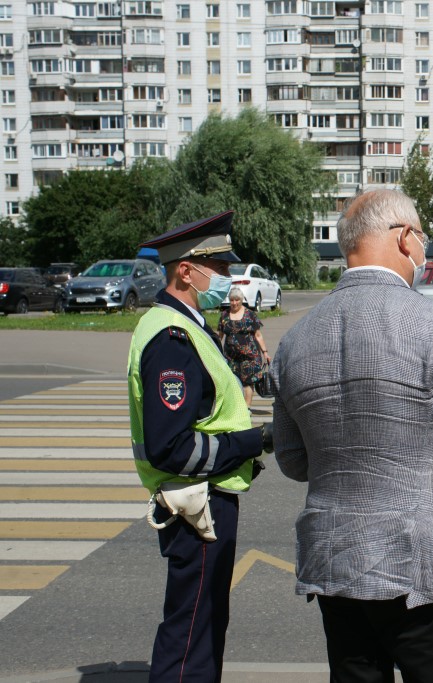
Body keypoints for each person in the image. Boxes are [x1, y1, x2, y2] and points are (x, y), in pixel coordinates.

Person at [271, 189, 433, 683]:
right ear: (402, 238)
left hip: (338, 563)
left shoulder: (294, 340)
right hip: (423, 571)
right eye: (422, 238)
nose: (424, 251)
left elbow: (293, 460)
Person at [127, 211, 272, 683]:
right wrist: (253, 441)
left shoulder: (188, 324)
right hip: (197, 507)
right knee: (189, 635)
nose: (228, 278)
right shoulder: (171, 338)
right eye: (218, 267)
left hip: (205, 501)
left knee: (205, 623)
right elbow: (172, 446)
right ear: (185, 271)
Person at [217, 286, 269, 407]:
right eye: (232, 300)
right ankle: (237, 407)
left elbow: (258, 335)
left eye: (237, 300)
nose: (234, 303)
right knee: (233, 382)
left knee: (248, 382)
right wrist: (215, 350)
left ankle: (247, 408)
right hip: (231, 357)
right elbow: (219, 336)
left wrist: (265, 352)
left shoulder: (250, 315)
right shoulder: (224, 315)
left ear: (242, 300)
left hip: (249, 356)